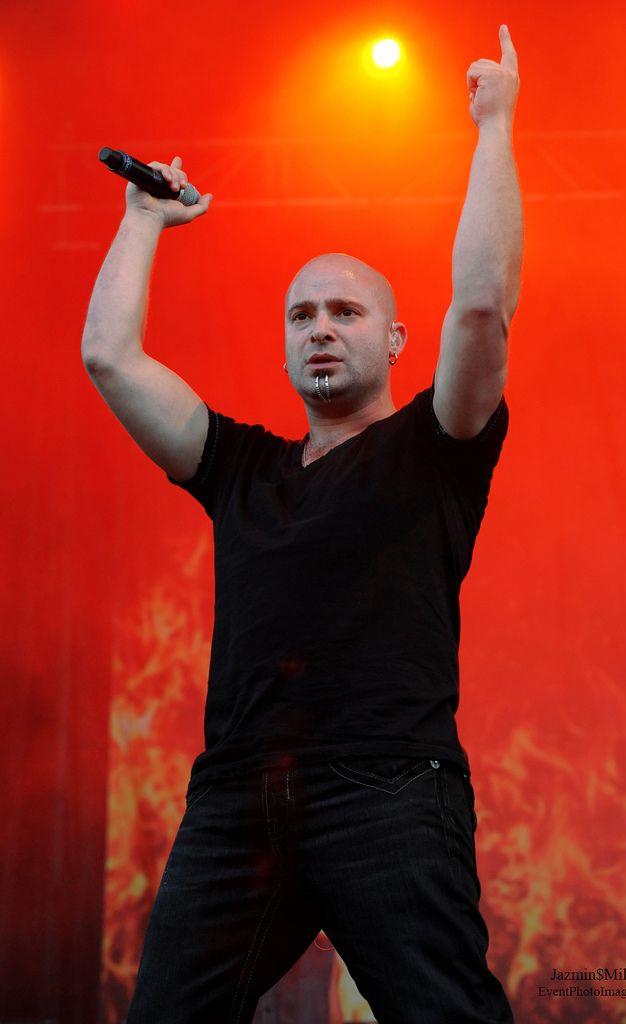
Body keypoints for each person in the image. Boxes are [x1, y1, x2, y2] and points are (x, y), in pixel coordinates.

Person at [82, 24, 522, 1024]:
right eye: (301, 315)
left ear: (395, 339)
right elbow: (110, 356)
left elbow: (482, 308)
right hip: (237, 799)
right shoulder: (240, 466)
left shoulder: (433, 445)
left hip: (386, 790)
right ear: (284, 348)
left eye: (344, 312)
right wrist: (143, 220)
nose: (320, 326)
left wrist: (495, 127)